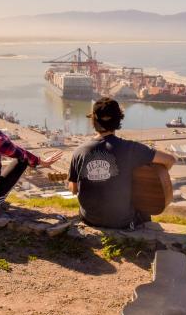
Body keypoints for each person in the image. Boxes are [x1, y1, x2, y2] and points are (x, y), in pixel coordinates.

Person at [68, 97, 176, 229]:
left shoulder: (79, 152)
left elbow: (74, 190)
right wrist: (158, 175)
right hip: (121, 223)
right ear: (118, 120)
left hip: (90, 219)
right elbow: (170, 160)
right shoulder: (132, 148)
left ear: (93, 121)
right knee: (143, 212)